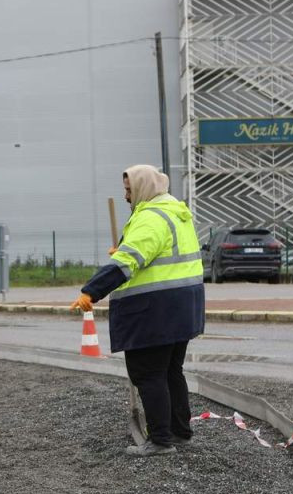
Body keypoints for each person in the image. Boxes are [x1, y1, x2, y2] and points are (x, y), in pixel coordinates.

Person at [71, 165, 205, 456]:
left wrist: (91, 291)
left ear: (144, 188)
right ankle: (180, 432)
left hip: (155, 311)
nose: (126, 196)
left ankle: (160, 440)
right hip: (180, 308)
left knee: (148, 374)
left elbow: (127, 262)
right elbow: (152, 255)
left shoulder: (150, 218)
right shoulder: (175, 212)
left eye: (129, 190)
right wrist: (123, 250)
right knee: (171, 371)